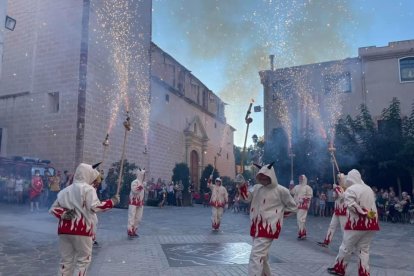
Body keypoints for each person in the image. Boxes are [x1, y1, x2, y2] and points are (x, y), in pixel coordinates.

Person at [49, 163, 119, 276]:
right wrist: (112, 202)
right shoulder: (88, 189)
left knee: (65, 261)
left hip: (64, 230)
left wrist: (64, 214)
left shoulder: (65, 190)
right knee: (82, 261)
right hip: (82, 230)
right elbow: (95, 207)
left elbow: (53, 208)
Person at [239, 163, 297, 276]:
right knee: (262, 256)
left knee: (256, 255)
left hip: (269, 228)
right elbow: (246, 198)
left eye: (265, 176)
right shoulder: (256, 188)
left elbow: (293, 207)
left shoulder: (282, 190)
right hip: (255, 227)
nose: (263, 178)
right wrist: (241, 185)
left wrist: (278, 216)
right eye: (261, 176)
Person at [327, 169, 380, 276]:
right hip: (371, 223)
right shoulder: (369, 189)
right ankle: (364, 272)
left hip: (356, 224)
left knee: (345, 247)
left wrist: (361, 212)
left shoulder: (351, 189)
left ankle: (339, 268)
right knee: (364, 250)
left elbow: (350, 204)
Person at [318, 174, 347, 247]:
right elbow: (336, 198)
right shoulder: (338, 187)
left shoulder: (347, 188)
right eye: (337, 179)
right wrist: (335, 192)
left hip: (343, 211)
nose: (338, 180)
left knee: (344, 229)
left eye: (339, 179)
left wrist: (336, 189)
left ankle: (348, 246)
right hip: (337, 210)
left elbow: (342, 196)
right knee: (331, 226)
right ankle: (326, 241)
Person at [291, 174, 313, 239]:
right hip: (297, 204)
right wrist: (291, 185)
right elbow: (291, 192)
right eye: (299, 178)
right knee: (299, 220)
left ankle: (302, 233)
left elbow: (310, 196)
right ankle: (303, 232)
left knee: (300, 219)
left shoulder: (307, 187)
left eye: (301, 179)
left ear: (304, 179)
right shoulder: (296, 186)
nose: (300, 180)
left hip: (303, 205)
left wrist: (303, 199)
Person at [127, 168, 146, 238]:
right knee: (132, 217)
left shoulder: (143, 183)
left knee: (138, 218)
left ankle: (134, 230)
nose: (144, 176)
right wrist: (141, 186)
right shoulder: (134, 182)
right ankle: (130, 231)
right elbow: (134, 191)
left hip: (140, 203)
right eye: (143, 175)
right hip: (133, 202)